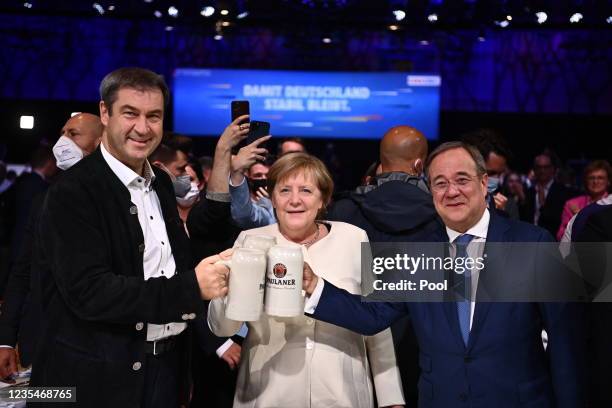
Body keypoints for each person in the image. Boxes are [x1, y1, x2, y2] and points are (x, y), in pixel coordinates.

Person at [302, 142, 586, 408]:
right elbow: (372, 315)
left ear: (484, 183)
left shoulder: (533, 243)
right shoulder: (414, 251)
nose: (451, 191)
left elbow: (565, 344)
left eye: (462, 180)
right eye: (440, 183)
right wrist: (315, 286)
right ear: (430, 190)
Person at [30, 67, 229, 408]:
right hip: (97, 381)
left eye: (154, 116)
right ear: (105, 113)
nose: (143, 127)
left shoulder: (163, 184)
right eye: (130, 113)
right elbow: (90, 293)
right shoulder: (73, 191)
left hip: (165, 373)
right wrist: (191, 287)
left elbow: (168, 267)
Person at [208, 152, 405, 408]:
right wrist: (226, 291)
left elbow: (376, 320)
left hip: (342, 393)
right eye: (285, 190)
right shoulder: (250, 241)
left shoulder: (354, 238)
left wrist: (391, 397)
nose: (294, 200)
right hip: (269, 393)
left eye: (306, 191)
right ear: (273, 198)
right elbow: (224, 328)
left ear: (323, 199)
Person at [327, 125, 440, 405]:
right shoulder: (443, 215)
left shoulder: (344, 211)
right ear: (419, 164)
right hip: (426, 344)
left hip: (357, 338)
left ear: (381, 162)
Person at [0, 113, 103, 378]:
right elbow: (22, 271)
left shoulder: (119, 202)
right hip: (44, 346)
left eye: (73, 134)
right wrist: (6, 339)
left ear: (101, 141)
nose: (62, 141)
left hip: (100, 352)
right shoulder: (43, 201)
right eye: (62, 132)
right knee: (50, 399)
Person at [519, 151, 578, 237]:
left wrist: (543, 204)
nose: (542, 170)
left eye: (546, 167)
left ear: (553, 169)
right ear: (534, 169)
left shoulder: (564, 192)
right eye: (538, 167)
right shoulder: (527, 192)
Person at [556, 160, 610, 240]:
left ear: (608, 181)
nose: (595, 181)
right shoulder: (572, 204)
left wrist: (581, 216)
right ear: (585, 181)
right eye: (591, 178)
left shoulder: (610, 202)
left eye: (600, 178)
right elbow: (560, 235)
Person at [229, 136, 275, 229]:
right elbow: (244, 216)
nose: (264, 179)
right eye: (258, 175)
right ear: (248, 176)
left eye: (268, 175)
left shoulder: (283, 200)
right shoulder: (241, 203)